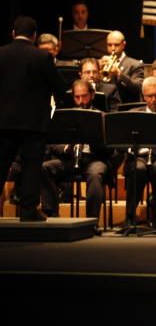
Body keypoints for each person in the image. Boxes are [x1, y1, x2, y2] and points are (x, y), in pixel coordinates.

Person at [0, 16, 66, 221]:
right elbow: (59, 87)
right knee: (31, 167)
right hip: (33, 123)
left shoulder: (0, 54)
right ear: (34, 35)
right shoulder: (42, 57)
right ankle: (28, 212)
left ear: (13, 33)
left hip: (3, 122)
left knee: (1, 164)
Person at [41, 80, 114, 227]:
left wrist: (93, 138)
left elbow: (110, 149)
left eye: (84, 96)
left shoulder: (102, 117)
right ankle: (52, 216)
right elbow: (52, 144)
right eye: (77, 97)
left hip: (94, 159)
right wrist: (67, 148)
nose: (81, 101)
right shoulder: (64, 117)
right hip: (70, 158)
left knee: (95, 174)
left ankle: (91, 222)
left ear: (92, 95)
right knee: (44, 168)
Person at [123, 77, 156, 227]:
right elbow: (124, 141)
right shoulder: (133, 114)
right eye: (149, 96)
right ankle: (130, 217)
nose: (153, 99)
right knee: (138, 169)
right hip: (141, 156)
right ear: (143, 96)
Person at [101, 31, 145, 101]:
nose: (113, 48)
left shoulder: (135, 64)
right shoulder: (103, 62)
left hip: (125, 105)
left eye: (116, 45)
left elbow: (138, 88)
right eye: (109, 45)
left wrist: (119, 74)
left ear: (123, 44)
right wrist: (97, 70)